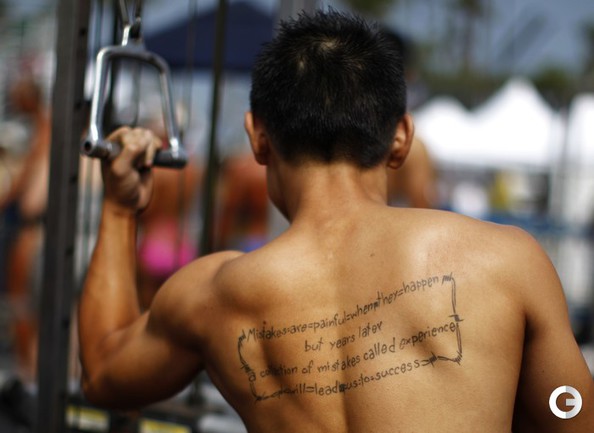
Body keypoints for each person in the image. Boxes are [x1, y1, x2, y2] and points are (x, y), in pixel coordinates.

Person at [78, 10, 593, 432]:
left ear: (257, 137)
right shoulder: (502, 261)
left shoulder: (214, 294)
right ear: (401, 137)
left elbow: (102, 373)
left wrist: (121, 209)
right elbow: (571, 414)